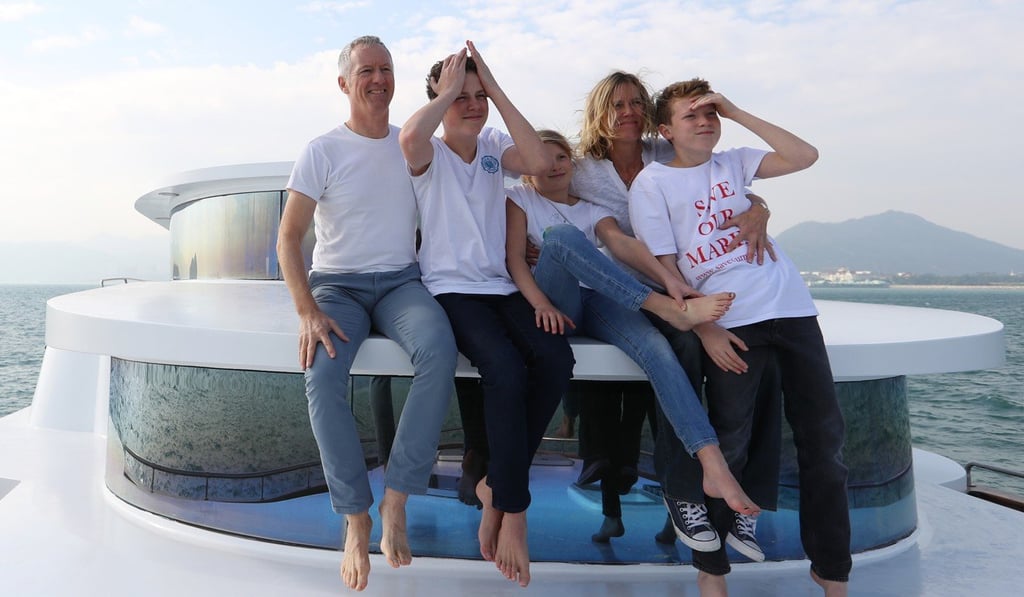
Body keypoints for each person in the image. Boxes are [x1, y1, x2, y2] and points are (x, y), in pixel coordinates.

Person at [630, 77, 850, 597]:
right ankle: (711, 571)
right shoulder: (653, 183)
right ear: (665, 129)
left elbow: (805, 155)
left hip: (792, 311)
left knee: (825, 444)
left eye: (711, 113)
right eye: (692, 115)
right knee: (726, 442)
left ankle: (832, 572)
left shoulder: (735, 163)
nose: (706, 122)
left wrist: (735, 108)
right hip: (731, 321)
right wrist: (703, 327)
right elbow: (667, 269)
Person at [277, 35, 458, 592]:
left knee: (440, 351)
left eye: (386, 69)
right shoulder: (322, 149)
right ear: (344, 83)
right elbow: (288, 237)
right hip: (339, 290)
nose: (378, 79)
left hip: (402, 284)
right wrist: (307, 310)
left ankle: (397, 500)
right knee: (323, 375)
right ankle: (356, 517)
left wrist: (452, 94)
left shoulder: (410, 143)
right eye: (366, 71)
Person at [505, 128, 761, 520]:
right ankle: (663, 307)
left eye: (561, 157)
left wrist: (671, 280)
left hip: (602, 301)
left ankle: (712, 463)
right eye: (543, 158)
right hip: (557, 305)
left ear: (572, 165)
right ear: (527, 168)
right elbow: (515, 260)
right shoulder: (519, 198)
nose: (554, 165)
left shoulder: (592, 209)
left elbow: (624, 245)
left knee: (657, 351)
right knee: (560, 237)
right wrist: (539, 303)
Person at [571, 71, 774, 550]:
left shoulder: (664, 154)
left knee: (717, 358)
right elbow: (602, 232)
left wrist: (759, 209)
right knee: (661, 360)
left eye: (636, 103)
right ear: (599, 114)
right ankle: (653, 502)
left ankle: (690, 496)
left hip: (685, 292)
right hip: (627, 292)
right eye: (616, 104)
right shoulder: (583, 169)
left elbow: (730, 183)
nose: (628, 113)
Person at [399, 42, 575, 588]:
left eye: (478, 96)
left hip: (501, 288)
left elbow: (544, 162)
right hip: (451, 289)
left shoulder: (496, 146)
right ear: (439, 99)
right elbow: (406, 138)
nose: (471, 105)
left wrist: (496, 90)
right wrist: (449, 90)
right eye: (460, 97)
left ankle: (497, 487)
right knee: (503, 369)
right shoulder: (427, 153)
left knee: (555, 359)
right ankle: (515, 513)